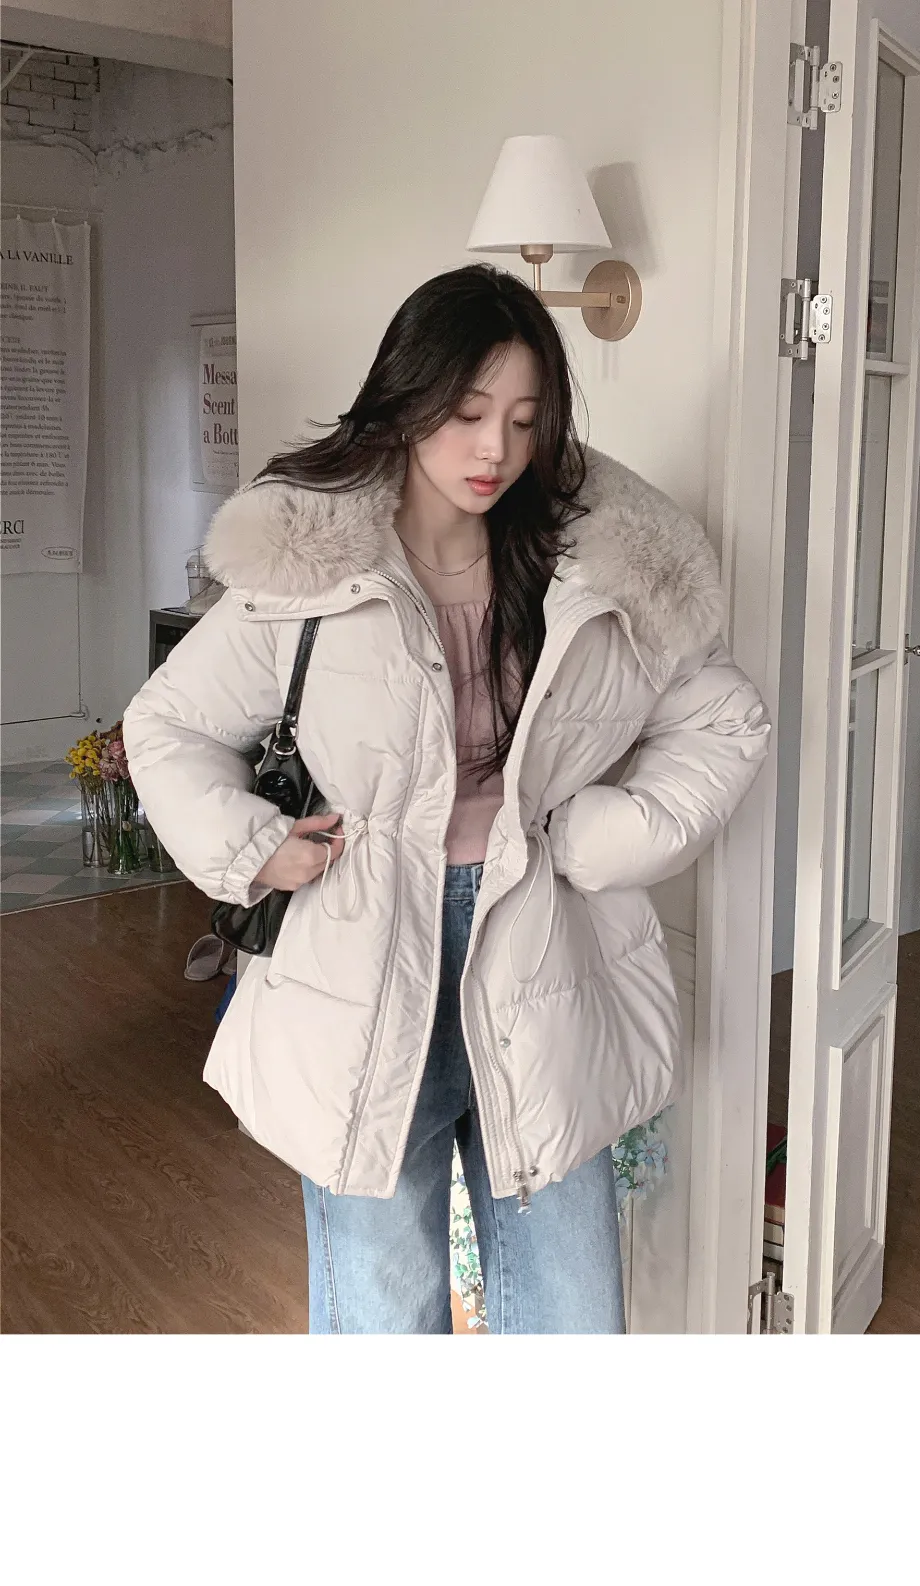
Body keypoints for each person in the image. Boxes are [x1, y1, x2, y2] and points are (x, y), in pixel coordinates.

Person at [123, 264, 770, 1335]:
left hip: (541, 949)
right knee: (384, 1316)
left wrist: (608, 836)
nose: (494, 450)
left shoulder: (586, 572)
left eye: (522, 419)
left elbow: (725, 719)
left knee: (572, 1315)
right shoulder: (312, 572)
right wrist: (252, 845)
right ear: (408, 395)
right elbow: (166, 724)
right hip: (363, 958)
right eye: (468, 412)